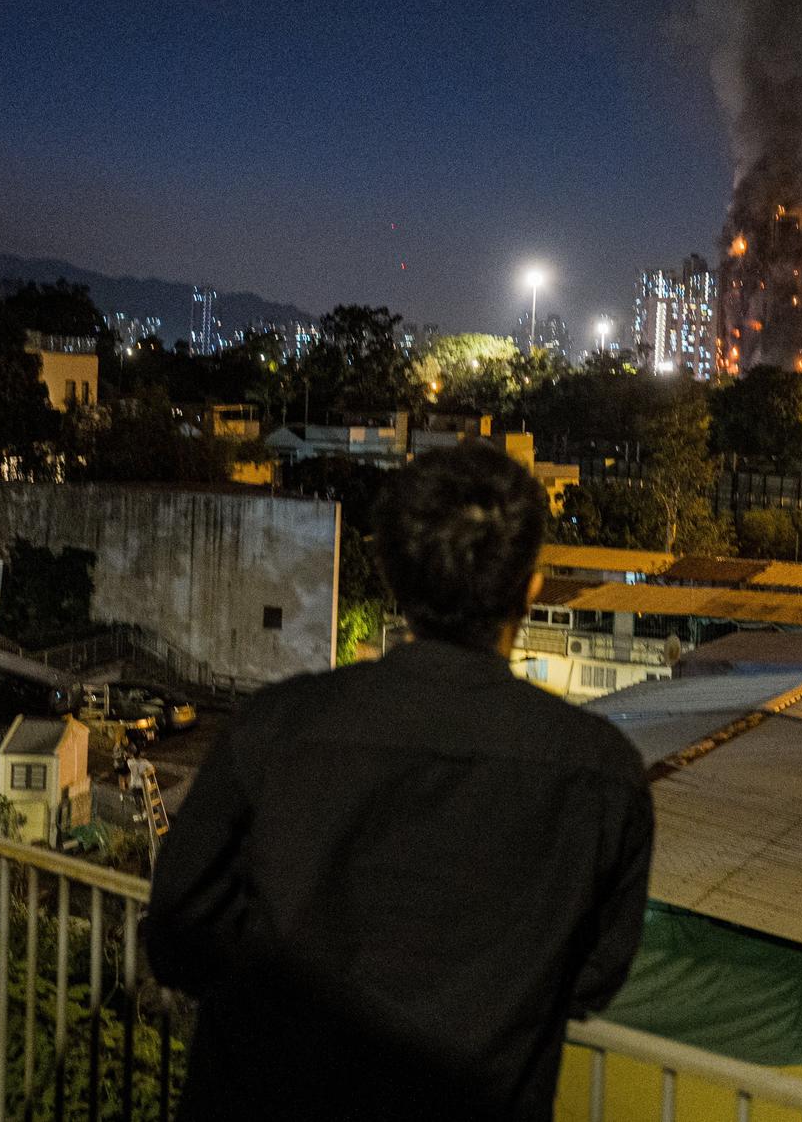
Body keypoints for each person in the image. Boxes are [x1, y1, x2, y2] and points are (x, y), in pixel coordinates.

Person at [144, 444, 653, 1120]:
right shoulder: (603, 771)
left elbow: (180, 926)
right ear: (531, 585)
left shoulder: (279, 726)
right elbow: (592, 976)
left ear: (391, 573)